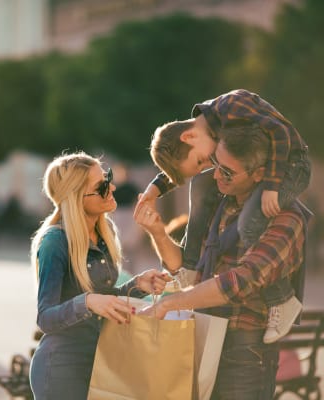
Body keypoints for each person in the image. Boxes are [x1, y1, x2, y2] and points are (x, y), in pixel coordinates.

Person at [135, 128, 307, 399]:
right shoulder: (219, 204)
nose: (215, 175)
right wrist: (157, 232)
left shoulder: (285, 218)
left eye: (227, 172)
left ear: (259, 174)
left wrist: (170, 303)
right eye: (216, 165)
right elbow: (187, 271)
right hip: (203, 335)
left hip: (244, 352)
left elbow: (241, 280)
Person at [137, 89, 311, 343]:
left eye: (203, 161)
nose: (210, 169)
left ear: (189, 135)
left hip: (291, 165)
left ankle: (282, 299)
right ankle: (191, 265)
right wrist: (153, 191)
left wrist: (272, 185)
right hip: (212, 335)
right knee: (199, 184)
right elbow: (182, 163)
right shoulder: (206, 131)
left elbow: (280, 133)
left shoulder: (233, 106)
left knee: (250, 223)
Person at [28, 152, 169, 400]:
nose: (112, 186)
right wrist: (87, 302)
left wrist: (137, 285)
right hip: (61, 369)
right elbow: (45, 318)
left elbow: (105, 301)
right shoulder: (55, 242)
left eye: (108, 178)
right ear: (76, 197)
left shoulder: (105, 233)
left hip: (101, 361)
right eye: (102, 185)